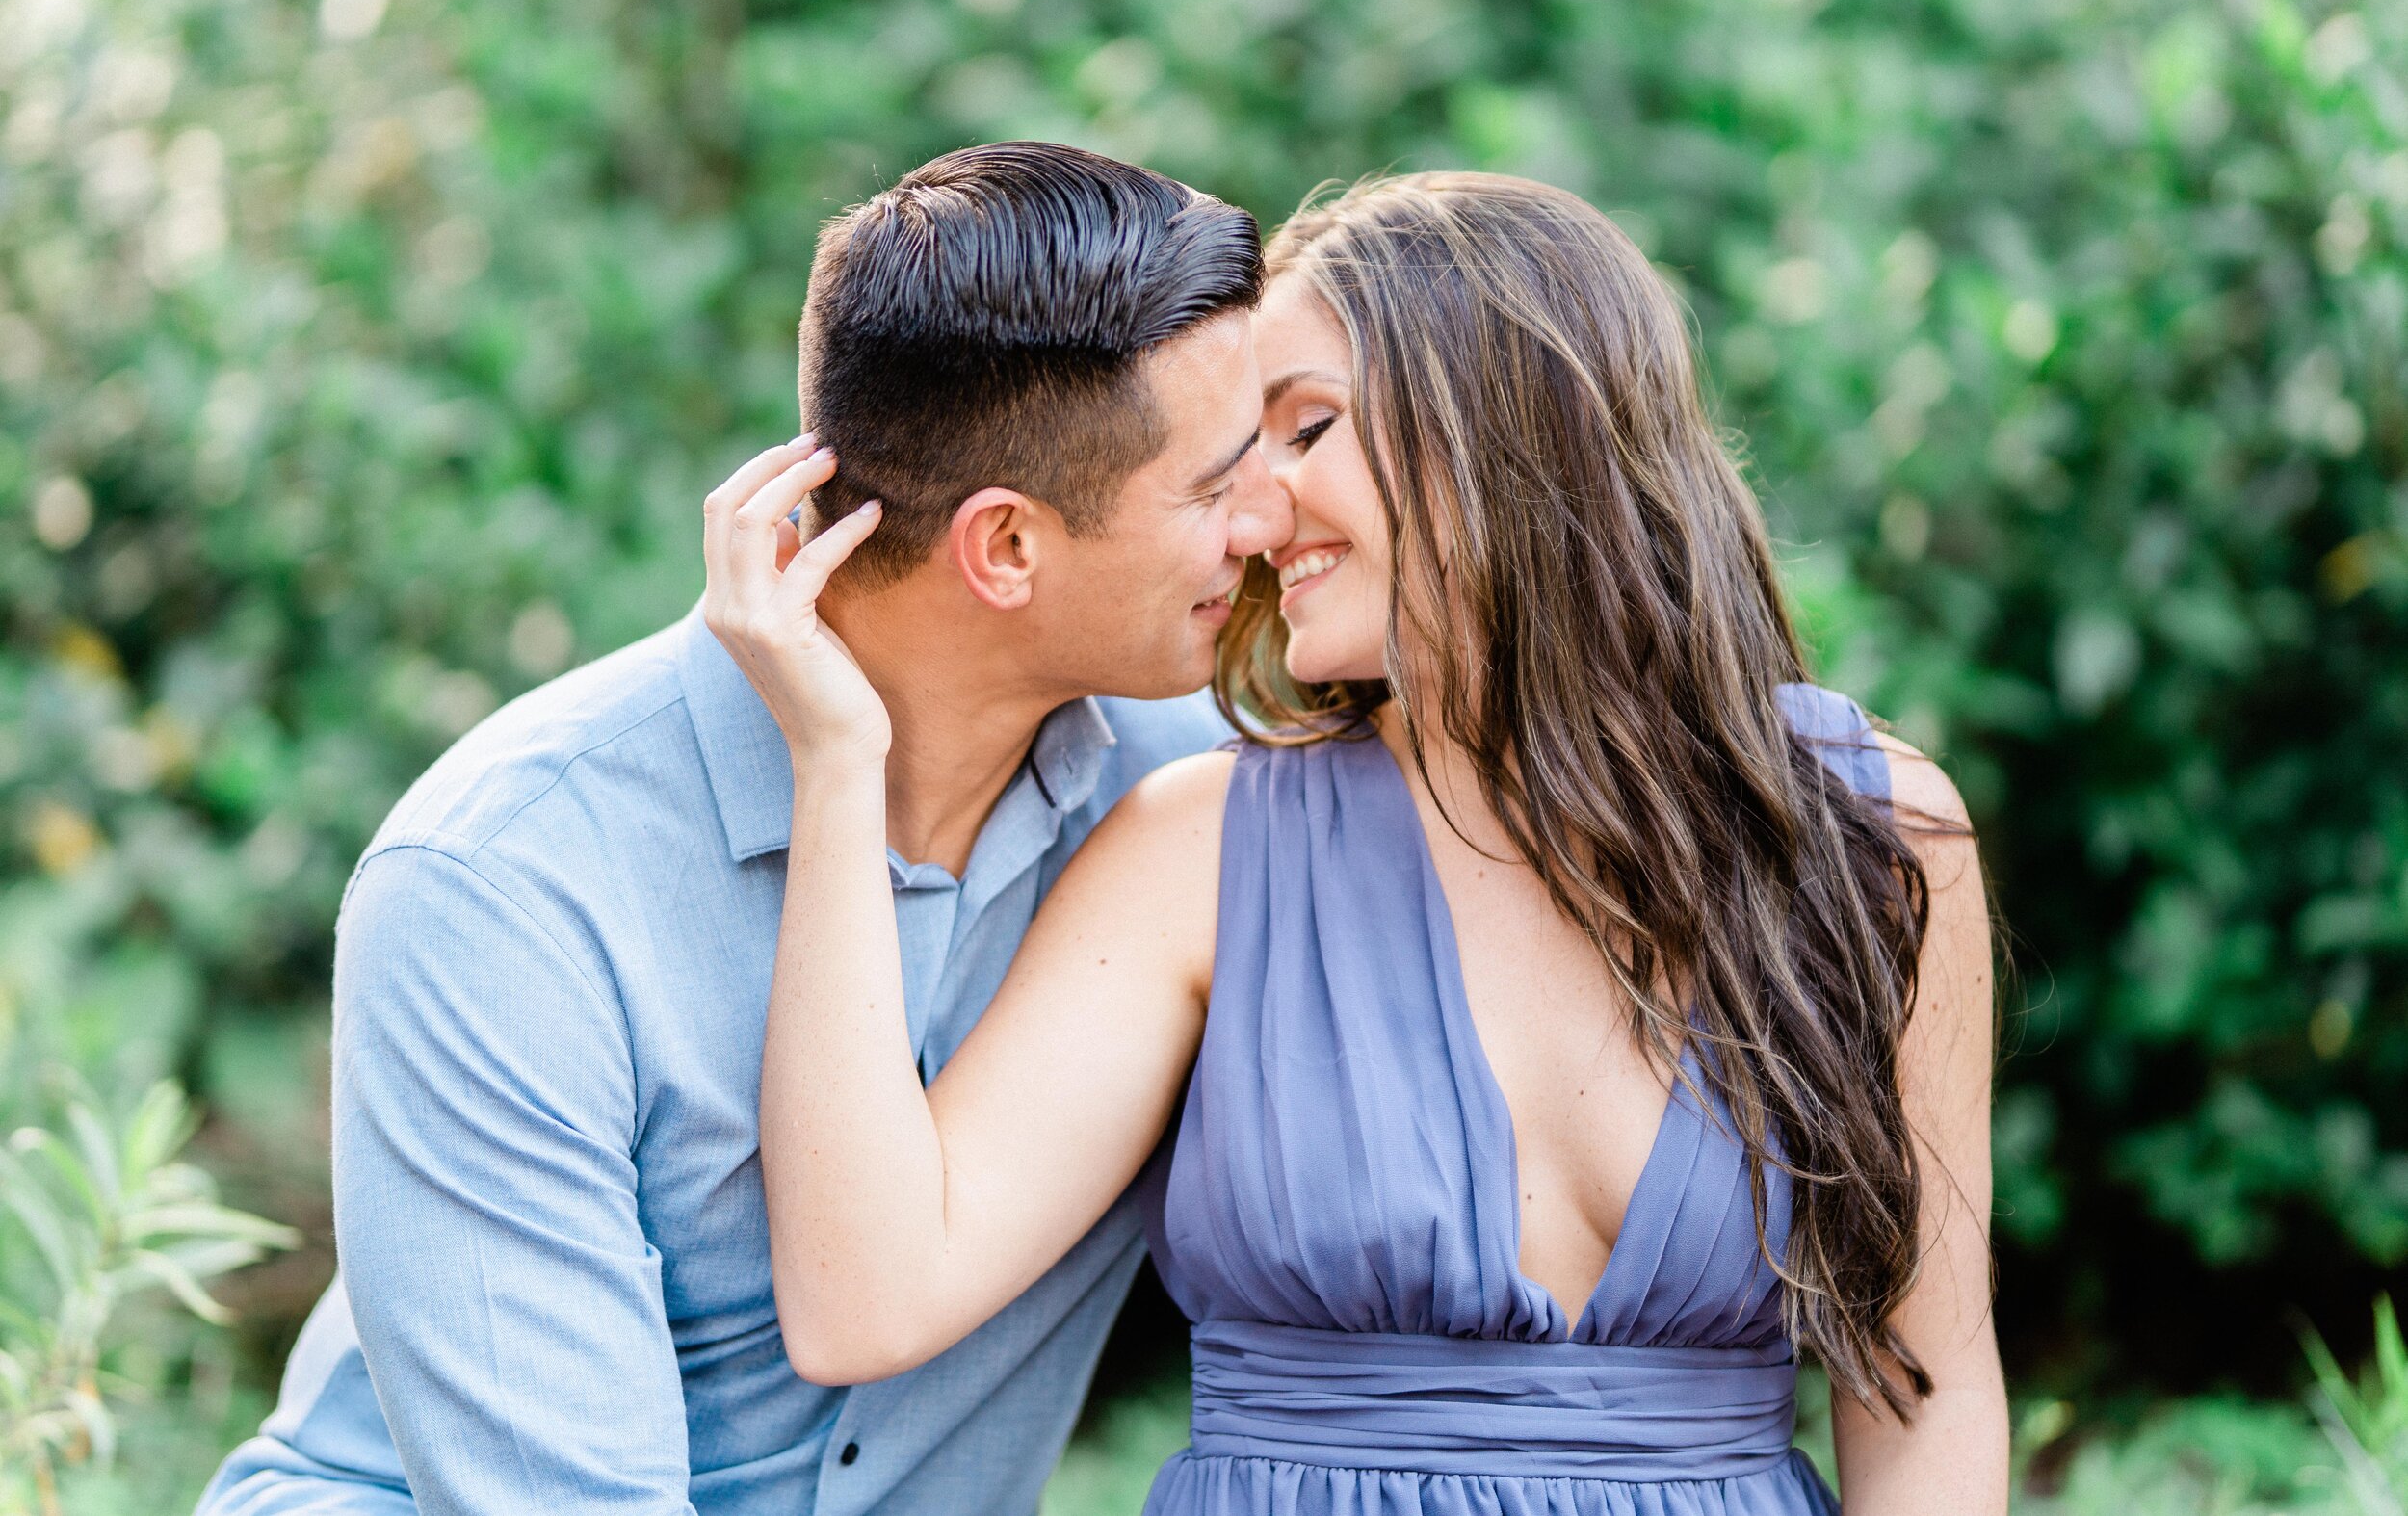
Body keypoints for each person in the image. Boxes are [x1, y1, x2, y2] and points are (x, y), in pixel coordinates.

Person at [707, 172, 2011, 1513]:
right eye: (1232, 461)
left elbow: (1930, 1389)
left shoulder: (1873, 838)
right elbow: (865, 1298)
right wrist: (836, 759)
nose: (1255, 519)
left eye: (1303, 431)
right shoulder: (1203, 853)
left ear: (1511, 431)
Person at [195, 143, 1292, 1515]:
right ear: (1005, 548)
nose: (1270, 517)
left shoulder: (1196, 812)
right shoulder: (499, 885)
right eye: (1215, 484)